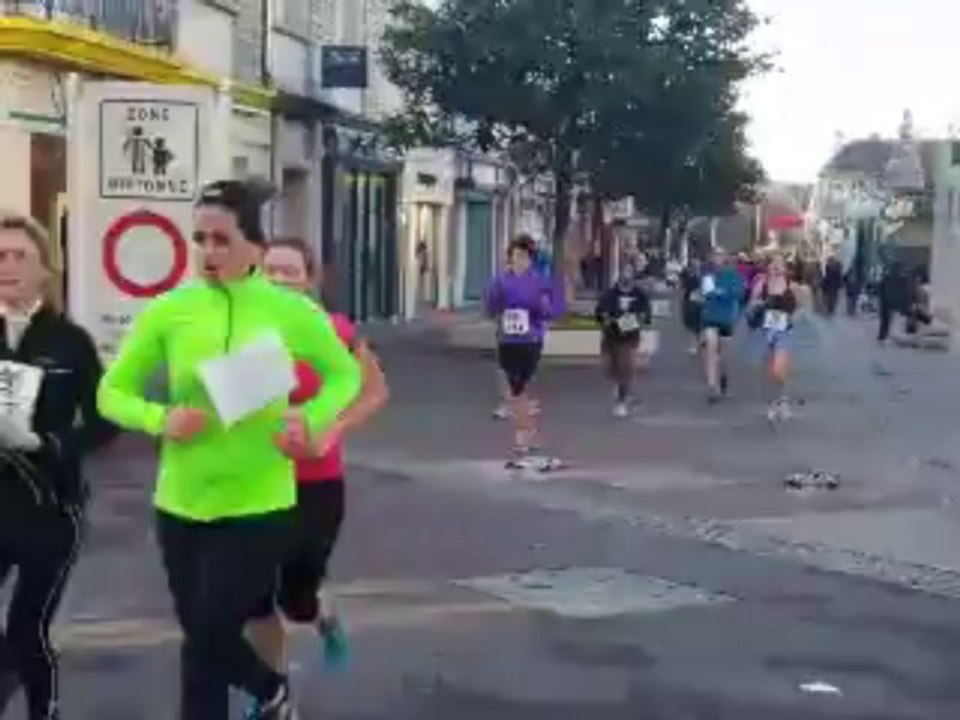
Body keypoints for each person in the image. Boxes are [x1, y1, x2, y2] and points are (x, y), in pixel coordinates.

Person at [96, 180, 362, 720]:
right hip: (181, 501)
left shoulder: (288, 311)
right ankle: (270, 691)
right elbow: (109, 392)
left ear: (255, 248)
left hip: (258, 503)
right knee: (200, 643)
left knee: (214, 628)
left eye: (221, 240)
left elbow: (345, 375)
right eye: (200, 239)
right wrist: (159, 417)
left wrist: (307, 419)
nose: (208, 253)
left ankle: (268, 689)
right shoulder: (171, 309)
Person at [245, 238, 387, 693]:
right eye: (272, 271)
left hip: (317, 483)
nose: (281, 280)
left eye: (291, 271)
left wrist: (332, 431)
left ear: (309, 280)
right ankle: (272, 693)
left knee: (297, 597)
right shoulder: (242, 331)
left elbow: (374, 393)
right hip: (254, 481)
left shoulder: (336, 332)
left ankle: (322, 614)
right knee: (257, 596)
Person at [0, 213, 116, 720]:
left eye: (19, 256)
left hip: (49, 508)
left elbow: (104, 422)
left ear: (46, 268)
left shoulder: (70, 341)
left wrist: (48, 443)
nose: (7, 266)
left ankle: (43, 711)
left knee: (28, 629)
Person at [485, 234, 559, 467]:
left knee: (523, 387)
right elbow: (490, 306)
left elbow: (550, 309)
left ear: (530, 260)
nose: (520, 261)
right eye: (516, 256)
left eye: (524, 257)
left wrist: (544, 311)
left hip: (531, 340)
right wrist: (499, 313)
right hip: (508, 341)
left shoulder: (539, 281)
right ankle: (523, 435)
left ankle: (526, 432)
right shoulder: (500, 281)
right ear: (510, 258)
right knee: (516, 389)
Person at [595, 264, 652, 417]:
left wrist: (626, 323)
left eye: (629, 272)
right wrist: (607, 320)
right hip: (610, 337)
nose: (626, 276)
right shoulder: (610, 294)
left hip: (629, 338)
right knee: (608, 369)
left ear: (633, 275)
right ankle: (617, 384)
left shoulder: (640, 295)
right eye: (623, 272)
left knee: (626, 368)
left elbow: (645, 317)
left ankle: (621, 402)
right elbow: (601, 313)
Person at [748, 253, 798, 421]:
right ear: (768, 266)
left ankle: (782, 400)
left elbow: (803, 308)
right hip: (765, 331)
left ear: (785, 267)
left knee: (779, 369)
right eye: (773, 263)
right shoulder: (761, 284)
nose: (776, 266)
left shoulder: (792, 286)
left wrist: (795, 317)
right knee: (769, 370)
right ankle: (774, 402)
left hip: (785, 331)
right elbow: (751, 305)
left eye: (780, 263)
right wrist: (759, 304)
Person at [699, 247, 745, 403]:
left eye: (720, 255)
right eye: (714, 255)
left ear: (724, 257)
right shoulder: (707, 275)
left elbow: (738, 293)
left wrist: (721, 293)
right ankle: (712, 387)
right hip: (710, 317)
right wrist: (721, 293)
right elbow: (706, 293)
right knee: (711, 349)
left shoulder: (732, 274)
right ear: (711, 258)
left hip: (726, 318)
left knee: (724, 356)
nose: (717, 258)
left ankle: (723, 377)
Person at [877, 259, 909, 344]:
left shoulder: (887, 277)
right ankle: (887, 335)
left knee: (885, 320)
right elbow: (906, 291)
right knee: (892, 320)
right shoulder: (902, 279)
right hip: (894, 302)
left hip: (886, 301)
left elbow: (880, 288)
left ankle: (883, 335)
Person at [680, 258, 703, 355]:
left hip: (698, 302)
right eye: (694, 265)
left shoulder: (701, 276)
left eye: (697, 265)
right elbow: (683, 287)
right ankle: (696, 344)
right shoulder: (688, 276)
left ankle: (696, 345)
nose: (695, 267)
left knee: (696, 325)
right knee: (693, 325)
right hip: (691, 301)